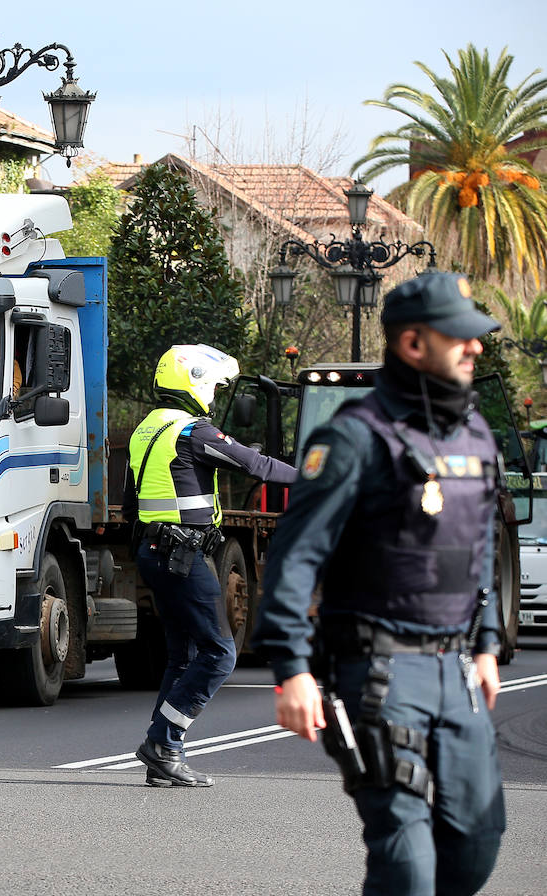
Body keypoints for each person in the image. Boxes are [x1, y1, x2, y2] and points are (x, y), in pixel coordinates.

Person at [253, 272, 505, 895]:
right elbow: (295, 556)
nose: (475, 347)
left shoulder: (475, 433)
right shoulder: (353, 438)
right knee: (407, 863)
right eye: (460, 337)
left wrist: (487, 644)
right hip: (380, 672)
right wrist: (292, 669)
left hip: (458, 673)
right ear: (414, 345)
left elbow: (478, 546)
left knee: (475, 844)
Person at [124, 344, 296, 786]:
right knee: (220, 653)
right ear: (195, 381)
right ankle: (163, 742)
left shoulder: (147, 429)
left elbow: (131, 504)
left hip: (156, 550)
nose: (216, 395)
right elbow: (255, 465)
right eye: (215, 386)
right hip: (182, 554)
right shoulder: (192, 432)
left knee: (183, 656)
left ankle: (162, 753)